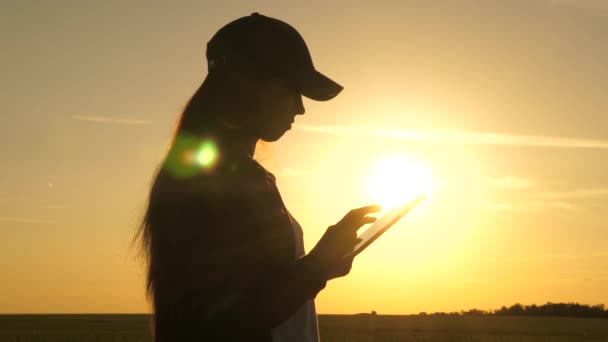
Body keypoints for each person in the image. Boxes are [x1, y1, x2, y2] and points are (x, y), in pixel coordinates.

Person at [136, 13, 381, 341]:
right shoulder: (226, 182)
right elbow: (233, 316)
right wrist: (317, 265)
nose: (300, 108)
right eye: (294, 90)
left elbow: (248, 293)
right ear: (250, 85)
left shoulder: (208, 175)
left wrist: (320, 267)